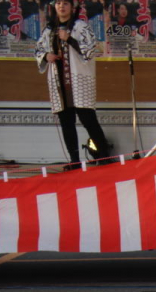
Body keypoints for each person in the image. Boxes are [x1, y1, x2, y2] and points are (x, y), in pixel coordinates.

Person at [35, 0, 111, 168]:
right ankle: (75, 160)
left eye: (66, 3)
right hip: (59, 80)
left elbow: (90, 50)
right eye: (59, 3)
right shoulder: (49, 29)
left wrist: (69, 38)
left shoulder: (81, 27)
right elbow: (38, 49)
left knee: (88, 118)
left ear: (72, 7)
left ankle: (105, 157)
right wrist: (46, 56)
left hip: (78, 79)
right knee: (66, 121)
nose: (62, 6)